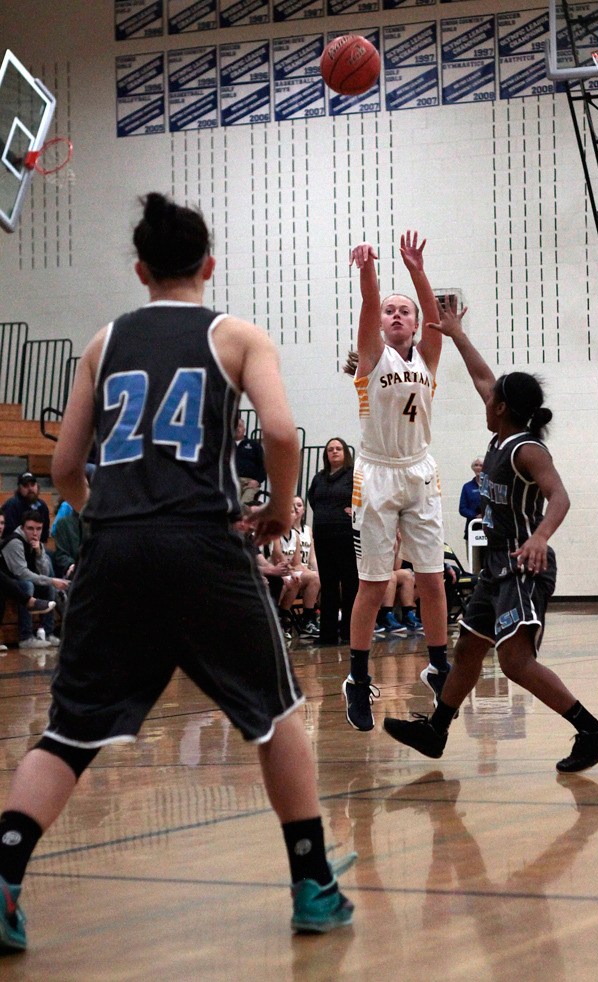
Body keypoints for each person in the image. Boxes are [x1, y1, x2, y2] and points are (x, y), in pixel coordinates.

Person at [0, 192, 355, 954]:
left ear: (140, 270)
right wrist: (281, 508)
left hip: (115, 547)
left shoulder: (103, 342)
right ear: (210, 264)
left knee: (66, 733)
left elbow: (64, 465)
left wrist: (108, 519)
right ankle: (313, 884)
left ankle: (2, 881)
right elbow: (285, 431)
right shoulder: (237, 336)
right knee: (274, 714)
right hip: (202, 546)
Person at [384, 297, 598, 773]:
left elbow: (560, 497)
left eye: (492, 399)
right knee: (468, 648)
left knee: (514, 661)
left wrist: (540, 537)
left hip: (523, 565)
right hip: (495, 566)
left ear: (503, 408)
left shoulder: (527, 451)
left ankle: (593, 731)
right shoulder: (501, 433)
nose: (484, 399)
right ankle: (436, 731)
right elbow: (482, 378)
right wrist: (455, 335)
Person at [341, 232, 449, 731]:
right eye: (391, 311)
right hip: (378, 473)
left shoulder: (427, 357)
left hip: (421, 469)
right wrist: (369, 271)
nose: (398, 315)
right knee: (374, 584)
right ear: (381, 323)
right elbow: (367, 303)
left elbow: (435, 318)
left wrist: (417, 272)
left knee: (431, 578)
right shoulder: (370, 356)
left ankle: (440, 665)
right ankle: (358, 679)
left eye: (404, 310)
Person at [307, 438, 359, 645]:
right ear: (326, 454)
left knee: (349, 584)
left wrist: (354, 511)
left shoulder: (353, 475)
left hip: (345, 536)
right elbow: (312, 500)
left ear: (345, 452)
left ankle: (349, 633)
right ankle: (327, 635)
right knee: (328, 585)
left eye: (338, 449)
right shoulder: (319, 478)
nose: (334, 452)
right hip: (323, 535)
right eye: (330, 449)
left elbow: (365, 500)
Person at [0, 508, 69, 649]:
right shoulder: (15, 542)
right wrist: (51, 580)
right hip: (8, 583)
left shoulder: (37, 543)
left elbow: (45, 571)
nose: (35, 533)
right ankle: (26, 636)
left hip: (18, 582)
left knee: (48, 587)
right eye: (30, 528)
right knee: (27, 586)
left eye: (39, 529)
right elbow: (22, 574)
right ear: (22, 527)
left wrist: (38, 553)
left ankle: (48, 633)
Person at [291, 495, 321, 638]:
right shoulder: (286, 530)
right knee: (315, 579)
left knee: (323, 578)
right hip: (294, 570)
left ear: (303, 510)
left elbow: (313, 558)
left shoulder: (308, 530)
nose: (296, 508)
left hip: (306, 571)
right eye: (293, 505)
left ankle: (320, 618)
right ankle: (308, 619)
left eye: (299, 505)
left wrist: (320, 572)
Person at [1, 472, 51, 543]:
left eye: (33, 485)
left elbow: (44, 534)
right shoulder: (11, 506)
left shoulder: (42, 506)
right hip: (16, 546)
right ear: (19, 488)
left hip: (37, 547)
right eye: (25, 485)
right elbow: (8, 535)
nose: (30, 488)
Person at [234, 415, 266, 504]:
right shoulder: (226, 446)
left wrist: (257, 481)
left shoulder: (254, 445)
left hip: (249, 483)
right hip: (230, 481)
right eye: (234, 426)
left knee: (244, 506)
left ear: (244, 429)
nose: (237, 428)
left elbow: (263, 466)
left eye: (239, 426)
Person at [459, 456, 484, 539]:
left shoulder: (490, 485)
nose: (478, 468)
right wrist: (475, 516)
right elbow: (462, 509)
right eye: (476, 465)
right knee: (473, 552)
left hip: (490, 529)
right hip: (472, 527)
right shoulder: (467, 487)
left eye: (481, 465)